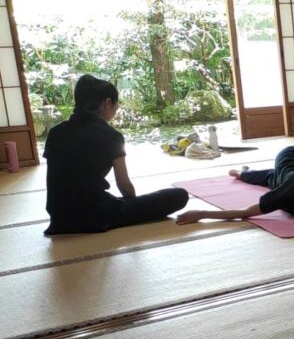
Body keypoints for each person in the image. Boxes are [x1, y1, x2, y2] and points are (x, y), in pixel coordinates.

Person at [43, 75, 189, 235]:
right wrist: (134, 207)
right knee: (179, 195)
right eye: (116, 104)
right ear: (107, 103)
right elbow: (124, 185)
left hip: (59, 218)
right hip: (96, 216)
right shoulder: (111, 136)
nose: (116, 109)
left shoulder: (55, 133)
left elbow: (57, 179)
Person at [176, 146, 294, 229]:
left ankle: (243, 173)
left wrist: (201, 214)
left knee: (272, 177)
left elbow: (244, 212)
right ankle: (245, 173)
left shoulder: (285, 195)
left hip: (287, 166)